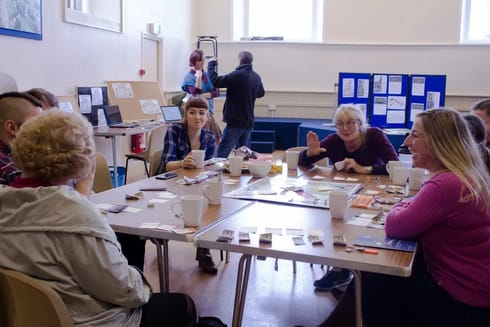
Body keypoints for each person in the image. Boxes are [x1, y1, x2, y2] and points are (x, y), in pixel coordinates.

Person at [0, 110, 197, 326]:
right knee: (183, 305)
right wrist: (141, 282)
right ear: (83, 160)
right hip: (86, 320)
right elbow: (127, 292)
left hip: (24, 317)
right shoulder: (77, 217)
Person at [326, 108, 490, 327]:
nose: (407, 142)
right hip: (473, 285)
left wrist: (402, 204)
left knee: (374, 275)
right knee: (373, 274)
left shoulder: (444, 184)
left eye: (415, 135)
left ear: (437, 141)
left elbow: (395, 225)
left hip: (463, 297)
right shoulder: (461, 174)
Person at [298, 104, 398, 291]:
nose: (345, 128)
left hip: (374, 195)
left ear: (360, 123)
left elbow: (395, 164)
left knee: (364, 226)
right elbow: (304, 161)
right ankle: (340, 270)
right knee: (334, 221)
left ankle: (363, 270)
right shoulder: (335, 140)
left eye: (351, 123)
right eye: (340, 124)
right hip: (344, 193)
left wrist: (364, 168)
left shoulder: (374, 135)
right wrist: (309, 154)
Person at [159, 96, 218, 274]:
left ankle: (204, 251)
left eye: (202, 113)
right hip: (172, 181)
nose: (197, 117)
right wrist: (182, 163)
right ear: (185, 115)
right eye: (192, 113)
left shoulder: (209, 136)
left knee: (209, 205)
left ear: (208, 116)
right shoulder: (174, 130)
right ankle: (160, 235)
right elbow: (166, 164)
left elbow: (209, 165)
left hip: (197, 182)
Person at [207, 50, 265, 158]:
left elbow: (215, 81)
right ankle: (244, 174)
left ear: (240, 60)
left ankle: (217, 174)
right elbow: (261, 93)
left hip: (235, 121)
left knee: (221, 154)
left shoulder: (237, 75)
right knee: (245, 154)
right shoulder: (256, 77)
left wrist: (211, 64)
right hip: (248, 121)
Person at [0, 91, 42, 185]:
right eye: (36, 124)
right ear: (12, 128)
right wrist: (82, 183)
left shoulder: (15, 155)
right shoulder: (8, 169)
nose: (42, 130)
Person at [181, 49, 222, 142]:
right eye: (200, 60)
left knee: (215, 137)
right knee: (202, 137)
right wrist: (198, 77)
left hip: (208, 110)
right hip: (195, 112)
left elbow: (216, 92)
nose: (203, 63)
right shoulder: (189, 77)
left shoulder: (207, 74)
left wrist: (204, 95)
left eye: (203, 60)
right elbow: (195, 93)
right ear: (193, 62)